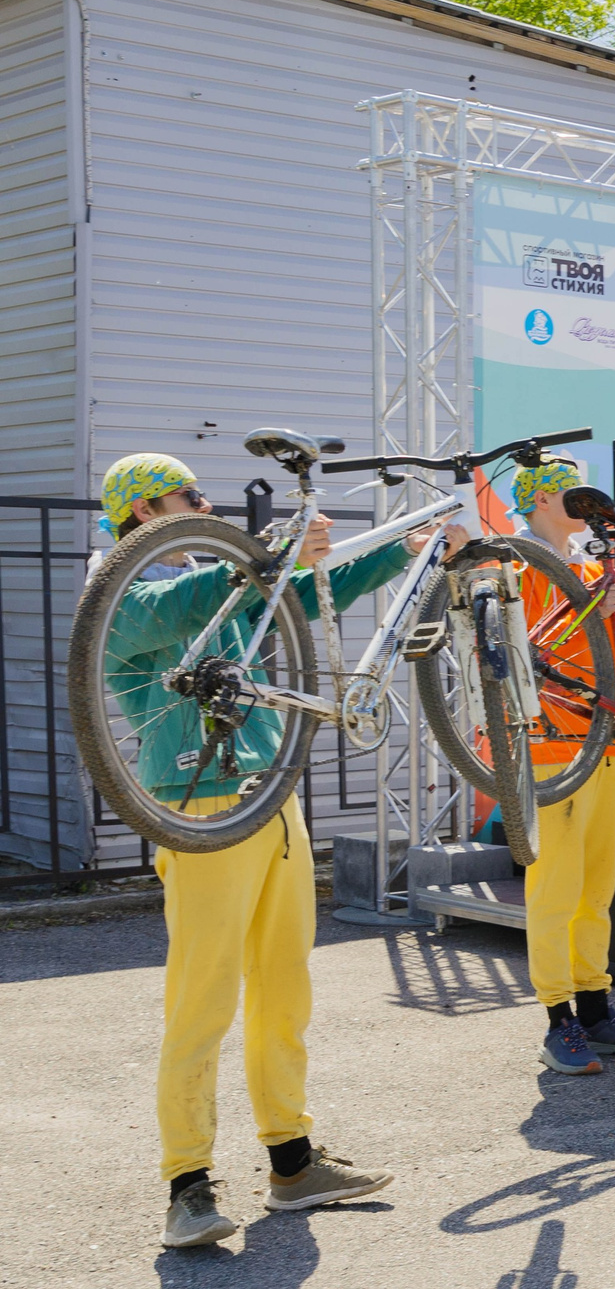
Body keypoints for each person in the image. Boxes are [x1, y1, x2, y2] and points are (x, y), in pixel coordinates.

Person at [93, 452, 445, 1249]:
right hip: (202, 807)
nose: (206, 500)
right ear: (147, 509)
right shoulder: (120, 578)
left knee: (284, 992)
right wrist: (267, 560)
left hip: (269, 799)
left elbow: (288, 599)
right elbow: (171, 611)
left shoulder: (219, 578)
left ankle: (292, 1161)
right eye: (189, 492)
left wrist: (405, 550)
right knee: (203, 1000)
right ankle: (187, 1182)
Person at [511, 459, 615, 1075]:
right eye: (568, 492)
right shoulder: (516, 564)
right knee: (554, 890)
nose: (583, 502)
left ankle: (596, 1008)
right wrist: (591, 608)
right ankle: (558, 1020)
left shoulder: (588, 568)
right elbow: (521, 649)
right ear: (537, 503)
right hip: (548, 744)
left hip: (603, 742)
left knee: (595, 890)